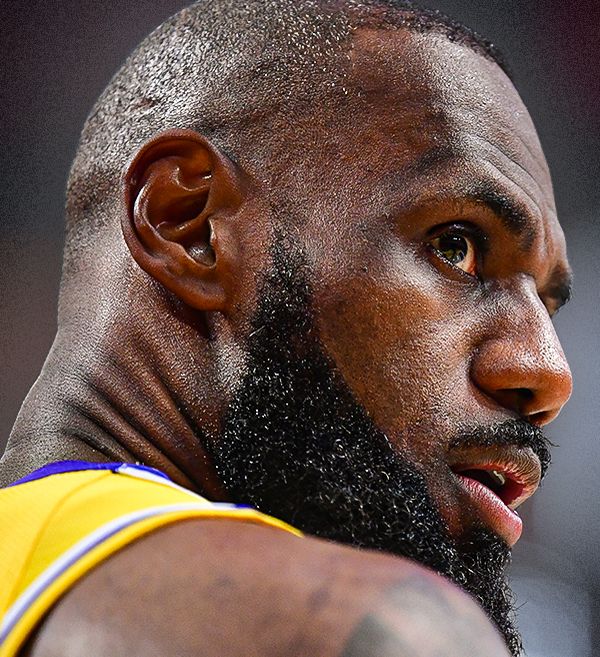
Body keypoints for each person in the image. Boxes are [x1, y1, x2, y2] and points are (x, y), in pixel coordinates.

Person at [0, 1, 573, 656]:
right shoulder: (375, 628)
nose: (549, 372)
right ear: (189, 224)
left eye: (545, 304)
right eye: (456, 246)